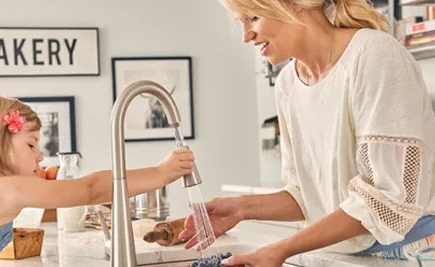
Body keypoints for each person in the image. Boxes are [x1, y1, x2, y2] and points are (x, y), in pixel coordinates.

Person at [179, 0, 435, 266]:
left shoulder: (373, 54)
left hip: (405, 252)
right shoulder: (287, 83)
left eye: (253, 17)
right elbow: (306, 194)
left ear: (295, 4)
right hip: (334, 254)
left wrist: (281, 248)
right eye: (240, 22)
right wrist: (243, 208)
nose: (246, 36)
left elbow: (386, 199)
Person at [0, 94, 195, 266]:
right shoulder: (2, 187)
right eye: (31, 145)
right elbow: (90, 188)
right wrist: (159, 173)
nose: (40, 157)